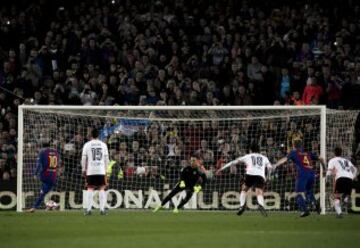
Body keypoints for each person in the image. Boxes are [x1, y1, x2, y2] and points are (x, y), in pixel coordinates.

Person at [217, 143, 272, 217]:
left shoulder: (248, 156)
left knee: (244, 189)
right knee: (259, 192)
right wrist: (268, 176)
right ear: (258, 150)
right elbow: (270, 167)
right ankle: (261, 205)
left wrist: (221, 169)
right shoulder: (264, 158)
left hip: (250, 174)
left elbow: (233, 162)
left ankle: (242, 206)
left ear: (250, 150)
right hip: (260, 175)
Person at [275, 139, 326, 217]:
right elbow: (321, 159)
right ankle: (315, 204)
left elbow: (284, 159)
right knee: (309, 191)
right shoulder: (307, 153)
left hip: (303, 174)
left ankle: (304, 210)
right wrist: (324, 170)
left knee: (298, 193)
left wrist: (275, 165)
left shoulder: (293, 153)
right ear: (301, 145)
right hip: (312, 174)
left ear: (293, 145)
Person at [81, 128, 110, 215]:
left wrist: (83, 169)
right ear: (99, 135)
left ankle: (88, 210)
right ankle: (102, 210)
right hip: (101, 170)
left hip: (91, 170)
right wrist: (106, 170)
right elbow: (106, 159)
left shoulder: (87, 145)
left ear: (91, 135)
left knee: (90, 188)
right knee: (101, 189)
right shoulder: (103, 145)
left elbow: (83, 158)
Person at [27, 142, 61, 212]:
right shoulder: (56, 152)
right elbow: (58, 164)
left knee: (43, 193)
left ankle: (35, 207)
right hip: (53, 175)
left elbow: (39, 164)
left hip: (45, 175)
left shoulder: (42, 152)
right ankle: (50, 205)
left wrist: (35, 173)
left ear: (42, 147)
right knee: (45, 191)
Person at [326, 147, 358, 218]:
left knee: (336, 196)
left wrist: (327, 180)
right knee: (345, 193)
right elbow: (355, 169)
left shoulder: (332, 160)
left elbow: (329, 171)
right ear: (341, 153)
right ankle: (346, 198)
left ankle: (339, 213)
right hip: (349, 179)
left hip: (340, 178)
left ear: (334, 153)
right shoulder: (347, 161)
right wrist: (353, 177)